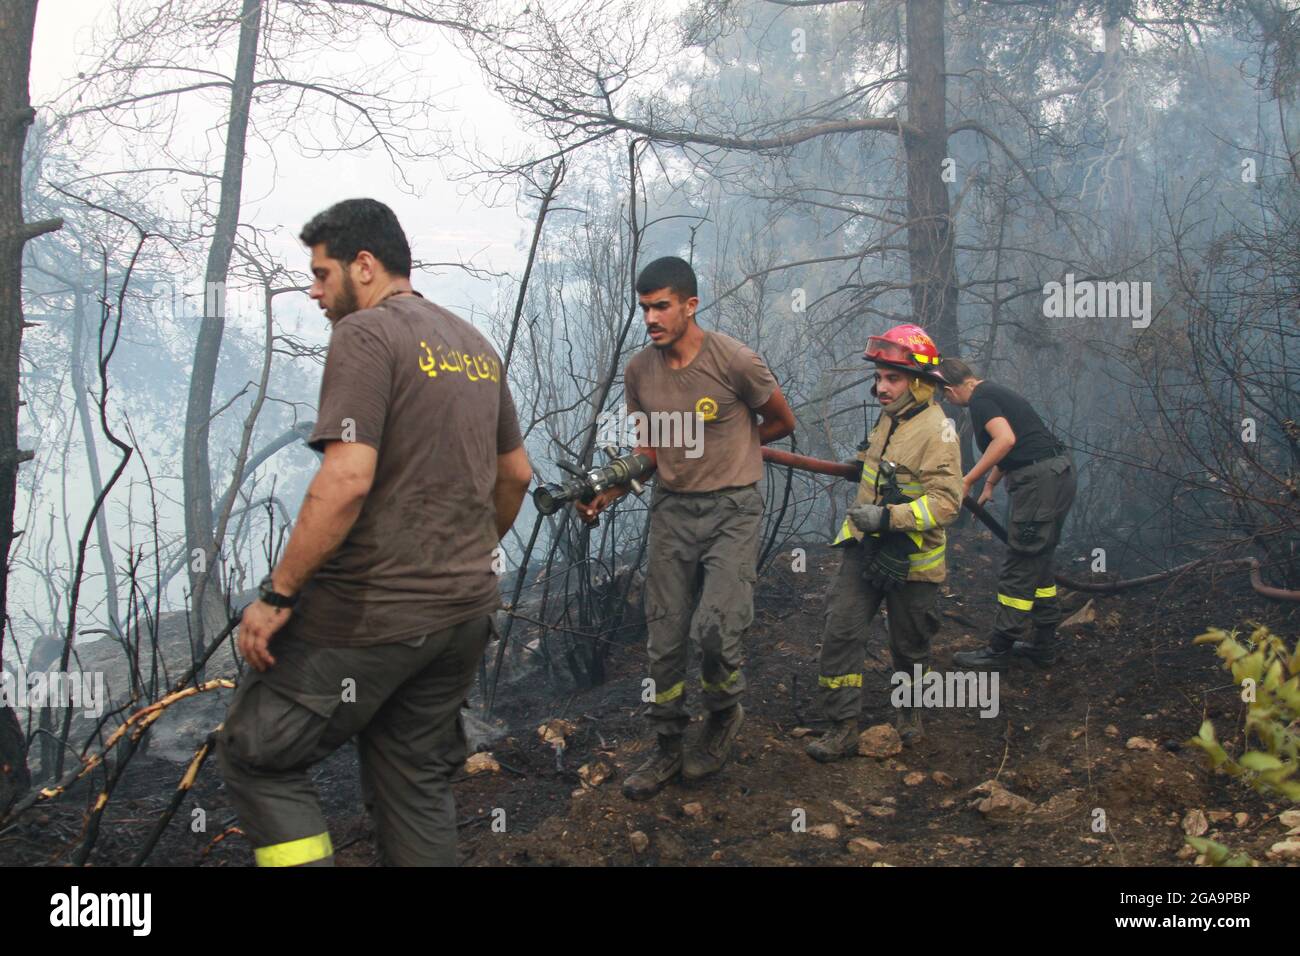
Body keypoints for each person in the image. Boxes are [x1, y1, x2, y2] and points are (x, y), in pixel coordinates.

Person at [217, 198, 532, 866]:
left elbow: (346, 480)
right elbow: (517, 475)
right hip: (463, 615)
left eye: (321, 273)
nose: (314, 289)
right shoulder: (473, 344)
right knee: (413, 779)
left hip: (372, 617)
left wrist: (277, 597)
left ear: (364, 265)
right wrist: (470, 553)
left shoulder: (366, 335)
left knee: (258, 755)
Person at [577, 256, 796, 800]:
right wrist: (607, 490)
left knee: (717, 631)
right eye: (644, 307)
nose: (650, 317)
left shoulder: (734, 360)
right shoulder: (639, 372)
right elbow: (648, 449)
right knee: (664, 641)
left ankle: (723, 716)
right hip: (672, 513)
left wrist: (735, 448)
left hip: (732, 511)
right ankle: (667, 745)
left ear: (690, 305)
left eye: (661, 306)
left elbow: (781, 421)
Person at [806, 324, 962, 761]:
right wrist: (862, 459)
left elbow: (948, 503)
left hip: (913, 559)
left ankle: (909, 712)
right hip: (865, 547)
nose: (880, 387)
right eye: (878, 378)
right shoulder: (891, 418)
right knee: (841, 631)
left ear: (918, 382)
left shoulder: (939, 430)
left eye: (891, 378)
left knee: (909, 644)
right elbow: (882, 469)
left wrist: (889, 517)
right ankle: (841, 726)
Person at [940, 358, 1075, 669]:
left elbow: (1005, 440)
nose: (947, 401)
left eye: (945, 396)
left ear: (950, 389)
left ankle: (999, 649)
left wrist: (968, 479)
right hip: (1058, 474)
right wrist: (990, 484)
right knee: (1039, 561)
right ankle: (1043, 644)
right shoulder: (994, 392)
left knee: (1021, 559)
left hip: (1040, 482)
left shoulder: (980, 400)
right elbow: (1017, 441)